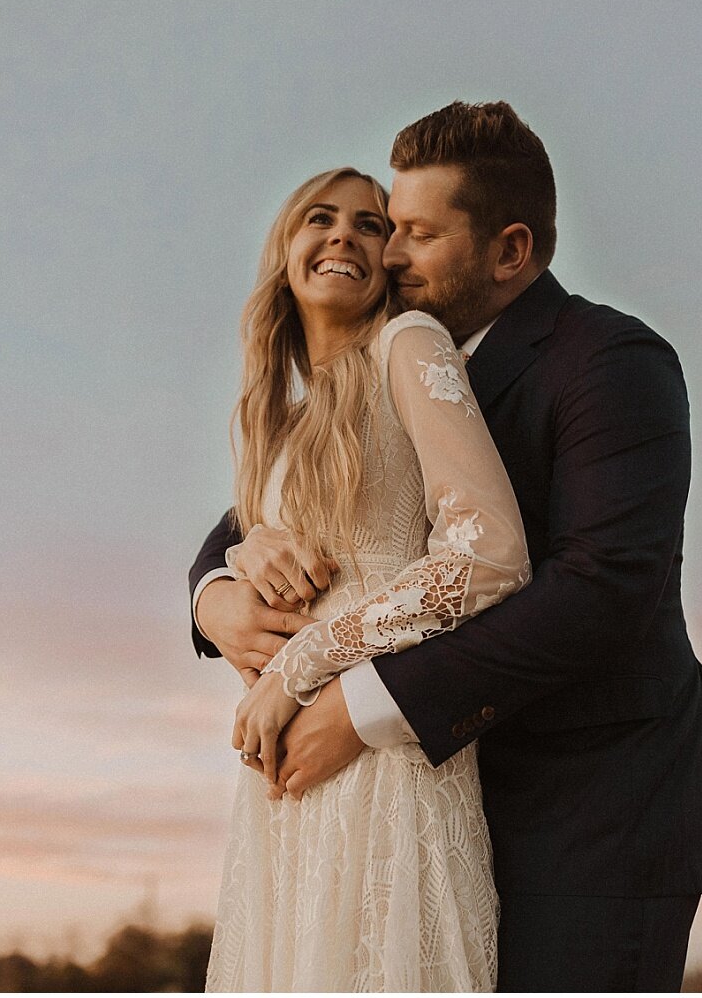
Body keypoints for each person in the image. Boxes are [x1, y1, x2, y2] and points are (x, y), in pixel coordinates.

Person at [192, 102, 702, 991]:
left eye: (413, 232)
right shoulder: (375, 365)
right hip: (436, 802)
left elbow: (602, 589)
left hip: (591, 815)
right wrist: (217, 589)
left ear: (510, 251)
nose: (390, 255)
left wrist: (360, 705)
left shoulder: (608, 361)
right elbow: (266, 510)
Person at [199, 166, 531, 991]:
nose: (344, 233)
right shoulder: (282, 417)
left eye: (370, 224)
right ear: (286, 251)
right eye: (321, 217)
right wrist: (239, 562)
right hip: (288, 781)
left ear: (387, 259)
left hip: (382, 750)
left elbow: (489, 552)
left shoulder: (408, 345)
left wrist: (304, 665)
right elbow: (257, 548)